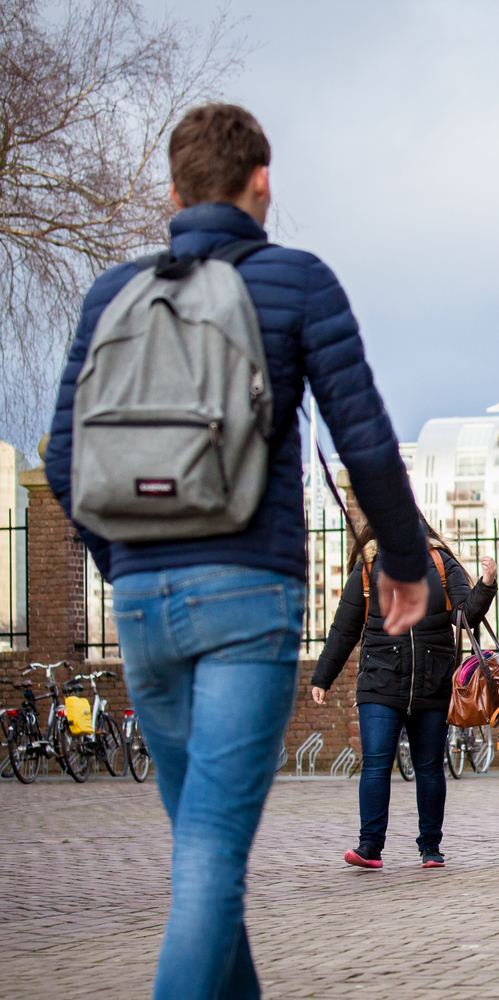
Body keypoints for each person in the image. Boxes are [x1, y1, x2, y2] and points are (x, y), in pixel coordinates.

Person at [43, 104, 431, 1000]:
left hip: (143, 603)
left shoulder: (112, 295)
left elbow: (64, 458)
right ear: (264, 184)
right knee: (212, 858)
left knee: (200, 848)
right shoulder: (296, 283)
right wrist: (403, 562)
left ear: (171, 196)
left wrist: (123, 565)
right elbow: (365, 439)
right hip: (246, 595)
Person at [310, 519, 496, 869]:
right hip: (380, 681)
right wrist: (322, 677)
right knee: (376, 763)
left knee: (429, 767)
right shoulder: (369, 567)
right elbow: (344, 628)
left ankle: (430, 847)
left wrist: (486, 585)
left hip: (433, 680)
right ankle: (370, 846)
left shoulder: (440, 563)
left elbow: (464, 616)